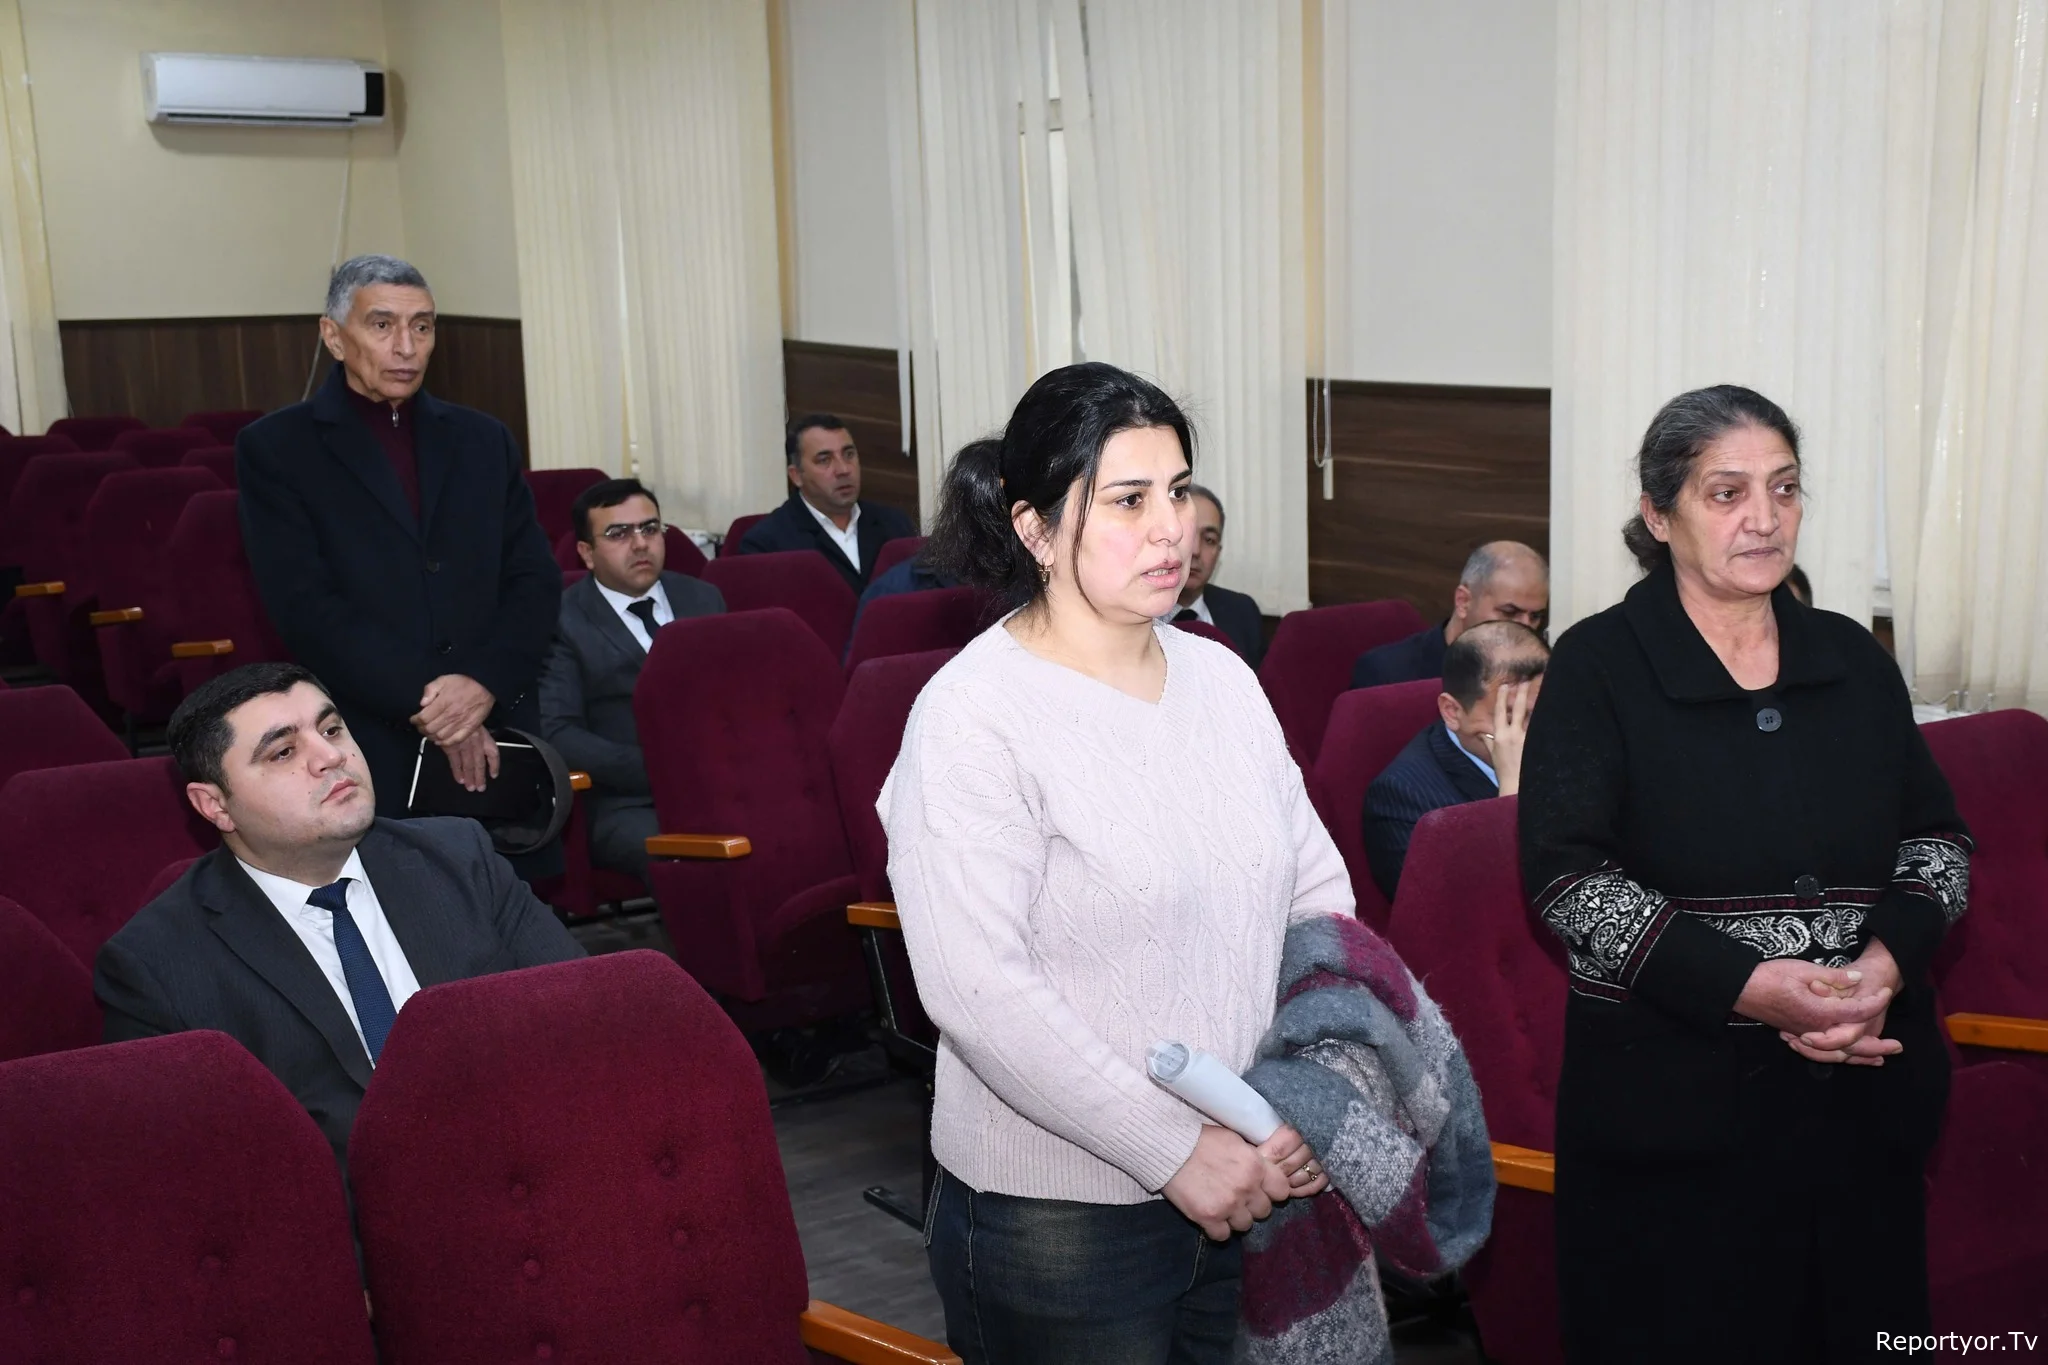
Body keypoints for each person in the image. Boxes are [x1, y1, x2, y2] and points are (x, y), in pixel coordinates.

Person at [879, 362, 1345, 1363]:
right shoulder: (971, 718)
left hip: (1254, 1162)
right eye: (1129, 500)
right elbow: (977, 989)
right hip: (1060, 1219)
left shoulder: (1221, 678)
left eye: (1178, 491)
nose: (1173, 528)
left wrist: (1313, 1080)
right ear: (1036, 529)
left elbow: (1316, 895)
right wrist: (1172, 1150)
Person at [1518, 385, 1970, 1364]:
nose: (1763, 517)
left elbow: (1937, 843)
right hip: (1672, 1126)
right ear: (1658, 515)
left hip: (1861, 1107)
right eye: (1726, 493)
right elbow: (1568, 879)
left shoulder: (1851, 659)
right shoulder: (1598, 666)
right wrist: (1748, 986)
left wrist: (1881, 969)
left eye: (1784, 487)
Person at [94, 663, 584, 1173]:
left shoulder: (460, 857)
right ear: (215, 805)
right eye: (284, 752)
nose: (331, 757)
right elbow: (186, 1174)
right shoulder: (155, 967)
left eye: (330, 730)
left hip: (536, 1167)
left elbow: (583, 1017)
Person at [237, 254, 560, 821]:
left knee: (514, 875)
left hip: (499, 720)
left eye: (422, 326)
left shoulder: (484, 440)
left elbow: (533, 579)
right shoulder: (279, 449)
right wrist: (438, 708)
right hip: (369, 733)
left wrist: (482, 684)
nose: (406, 347)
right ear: (333, 337)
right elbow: (306, 609)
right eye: (382, 325)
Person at [538, 478, 725, 880]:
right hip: (625, 802)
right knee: (691, 865)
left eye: (650, 528)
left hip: (720, 785)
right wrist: (659, 768)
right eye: (619, 533)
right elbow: (559, 732)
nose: (640, 544)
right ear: (586, 553)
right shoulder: (561, 620)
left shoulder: (703, 598)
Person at [1363, 620, 1546, 900]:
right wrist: (1512, 794)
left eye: (1542, 710)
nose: (1534, 733)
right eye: (1510, 717)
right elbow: (1458, 910)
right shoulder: (1402, 796)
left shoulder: (1566, 743)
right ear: (1452, 711)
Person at [737, 413, 917, 592]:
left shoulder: (895, 524)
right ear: (796, 475)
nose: (843, 469)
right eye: (824, 460)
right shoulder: (767, 544)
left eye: (849, 455)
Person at [1350, 540, 1548, 689]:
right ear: (1464, 601)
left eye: (1535, 616)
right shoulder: (1388, 673)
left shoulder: (1542, 671)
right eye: (1509, 612)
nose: (1526, 627)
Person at [1160, 484, 1265, 668]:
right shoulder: (1133, 614)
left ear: (1218, 552)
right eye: (1186, 534)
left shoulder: (1243, 611)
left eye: (1209, 540)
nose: (1196, 551)